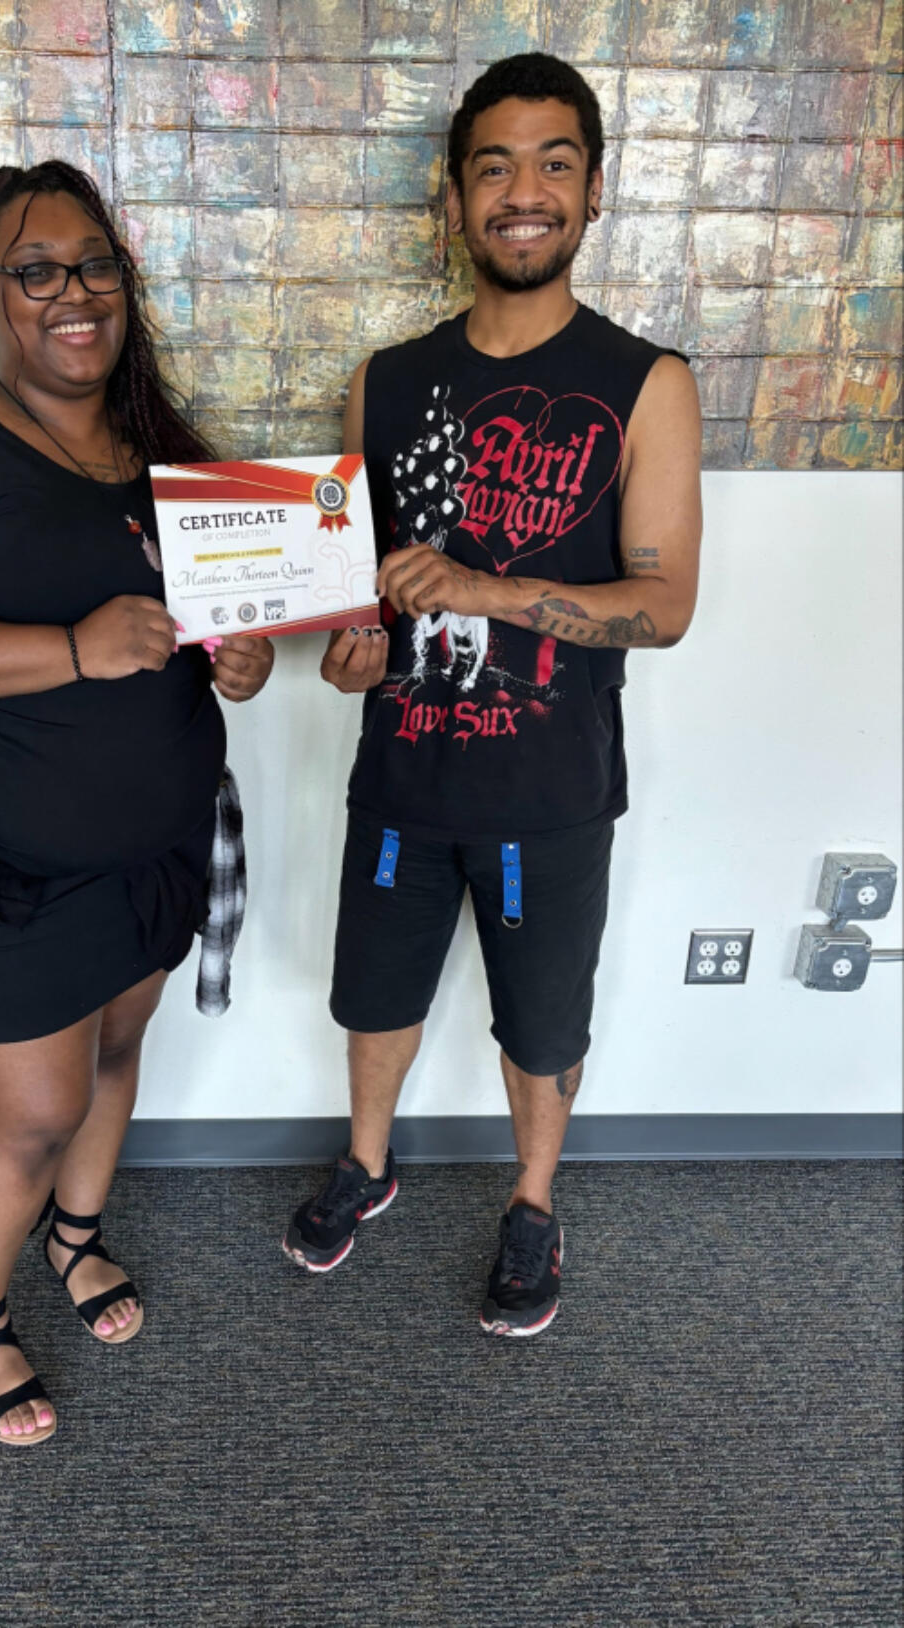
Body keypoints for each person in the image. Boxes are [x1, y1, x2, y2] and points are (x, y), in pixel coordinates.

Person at [0, 160, 273, 1445]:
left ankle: (76, 1238)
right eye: (35, 270)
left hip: (158, 849)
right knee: (31, 1109)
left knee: (117, 1056)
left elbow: (208, 629)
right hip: (0, 871)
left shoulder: (168, 462)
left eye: (94, 266)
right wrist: (72, 647)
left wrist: (233, 654)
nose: (71, 294)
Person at [282, 54, 702, 1336]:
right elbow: (364, 597)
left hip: (549, 788)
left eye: (553, 164)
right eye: (493, 166)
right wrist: (350, 647)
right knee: (373, 996)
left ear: (590, 192)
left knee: (539, 1018)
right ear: (455, 197)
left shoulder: (646, 383)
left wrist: (490, 585)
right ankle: (366, 1163)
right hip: (403, 772)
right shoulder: (387, 377)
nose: (523, 192)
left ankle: (531, 1199)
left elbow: (664, 603)